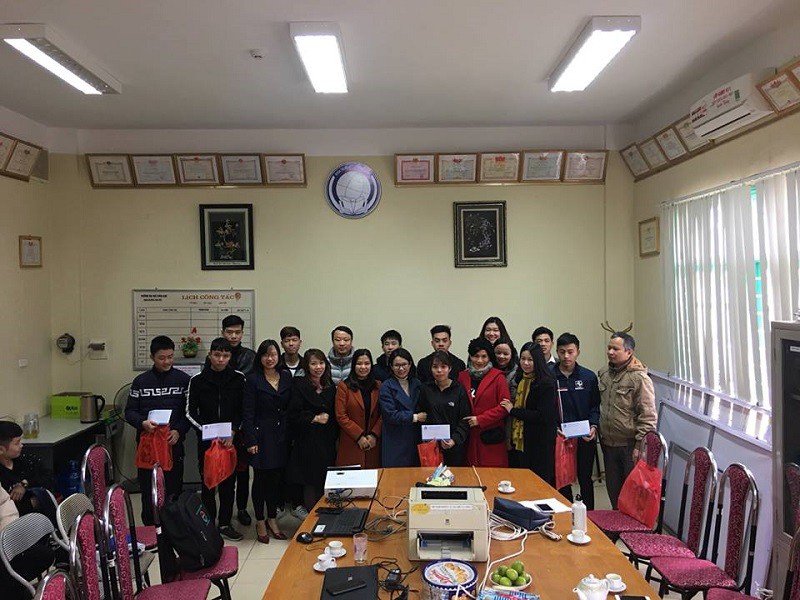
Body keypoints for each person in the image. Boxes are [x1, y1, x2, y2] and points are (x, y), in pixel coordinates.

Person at [125, 335, 191, 525]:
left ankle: (174, 528)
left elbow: (189, 413)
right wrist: (142, 423)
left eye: (170, 357)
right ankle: (150, 529)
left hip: (172, 444)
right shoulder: (141, 381)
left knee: (173, 489)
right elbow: (129, 411)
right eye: (162, 358)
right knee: (149, 491)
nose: (167, 361)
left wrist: (179, 431)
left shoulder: (183, 380)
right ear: (152, 357)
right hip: (148, 446)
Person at [186, 337, 247, 541]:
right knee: (208, 484)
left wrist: (234, 430)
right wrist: (206, 430)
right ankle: (209, 523)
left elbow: (244, 409)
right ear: (210, 355)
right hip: (207, 441)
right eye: (217, 355)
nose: (221, 359)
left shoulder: (239, 378)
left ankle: (225, 523)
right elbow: (189, 412)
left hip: (230, 440)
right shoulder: (197, 380)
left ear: (230, 357)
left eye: (225, 355)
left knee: (229, 484)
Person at [598, 332, 657, 509]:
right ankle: (615, 523)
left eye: (615, 349)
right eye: (609, 348)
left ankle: (630, 526)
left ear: (629, 352)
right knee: (614, 492)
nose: (610, 352)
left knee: (632, 497)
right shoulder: (604, 374)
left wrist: (640, 446)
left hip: (630, 446)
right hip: (608, 444)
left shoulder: (639, 378)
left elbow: (648, 416)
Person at [242, 339, 293, 543]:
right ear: (260, 357)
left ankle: (272, 518)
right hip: (260, 436)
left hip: (281, 436)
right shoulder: (252, 379)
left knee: (275, 480)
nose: (270, 358)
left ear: (279, 356)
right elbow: (247, 413)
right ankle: (260, 520)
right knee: (260, 480)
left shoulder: (286, 376)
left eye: (273, 354)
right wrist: (250, 440)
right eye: (265, 355)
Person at [552, 333, 601, 509]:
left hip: (584, 436)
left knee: (585, 477)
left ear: (578, 352)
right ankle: (566, 512)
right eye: (562, 351)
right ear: (557, 351)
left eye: (570, 352)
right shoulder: (550, 376)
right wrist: (554, 428)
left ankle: (590, 516)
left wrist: (594, 426)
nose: (566, 356)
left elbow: (595, 406)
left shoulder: (588, 377)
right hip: (560, 436)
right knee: (562, 478)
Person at [286, 349, 338, 511]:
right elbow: (293, 414)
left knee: (325, 479)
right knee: (310, 480)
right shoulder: (299, 385)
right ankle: (311, 517)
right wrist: (314, 418)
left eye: (321, 363)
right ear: (307, 366)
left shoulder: (330, 385)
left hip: (327, 440)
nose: (318, 367)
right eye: (313, 364)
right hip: (307, 439)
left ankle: (325, 515)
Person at [501, 343, 558, 484]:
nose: (525, 363)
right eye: (523, 359)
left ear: (538, 360)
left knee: (539, 483)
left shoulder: (546, 383)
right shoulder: (520, 379)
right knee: (522, 482)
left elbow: (542, 416)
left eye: (530, 360)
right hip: (522, 439)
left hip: (540, 442)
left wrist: (513, 411)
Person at [220, 314, 256, 526]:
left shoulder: (250, 357)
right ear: (223, 332)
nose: (233, 336)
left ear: (242, 333)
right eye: (229, 332)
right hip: (220, 422)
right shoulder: (216, 354)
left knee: (242, 470)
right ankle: (222, 513)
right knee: (223, 471)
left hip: (243, 420)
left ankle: (242, 508)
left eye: (237, 332)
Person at [458, 338, 510, 467]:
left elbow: (504, 407)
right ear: (470, 356)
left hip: (491, 435)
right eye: (476, 356)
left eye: (484, 356)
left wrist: (480, 419)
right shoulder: (462, 377)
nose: (480, 360)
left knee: (493, 475)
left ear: (489, 357)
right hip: (468, 436)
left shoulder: (498, 377)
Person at [417, 351, 471, 466]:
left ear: (450, 368)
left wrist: (454, 440)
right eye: (435, 367)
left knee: (453, 475)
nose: (439, 370)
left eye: (443, 367)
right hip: (430, 447)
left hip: (454, 446)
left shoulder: (459, 389)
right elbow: (421, 415)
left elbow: (465, 418)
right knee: (431, 476)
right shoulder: (425, 389)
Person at [335, 349, 382, 468]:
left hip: (373, 443)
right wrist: (359, 436)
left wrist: (374, 434)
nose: (363, 367)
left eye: (367, 363)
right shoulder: (344, 387)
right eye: (359, 363)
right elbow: (341, 416)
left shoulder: (379, 386)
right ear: (353, 365)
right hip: (351, 441)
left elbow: (383, 414)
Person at [0, 421, 54, 525]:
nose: (21, 445)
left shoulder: (25, 460)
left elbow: (48, 477)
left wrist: (24, 485)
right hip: (13, 524)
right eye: (17, 443)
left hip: (41, 520)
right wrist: (32, 503)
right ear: (1, 449)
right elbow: (6, 510)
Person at [379, 348, 425, 467]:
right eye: (397, 365)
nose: (401, 369)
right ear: (391, 366)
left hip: (415, 438)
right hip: (395, 439)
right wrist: (415, 417)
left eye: (404, 364)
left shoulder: (417, 383)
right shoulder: (386, 386)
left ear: (410, 364)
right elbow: (390, 415)